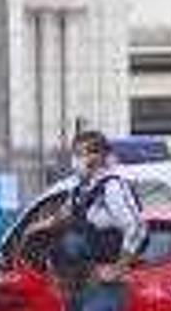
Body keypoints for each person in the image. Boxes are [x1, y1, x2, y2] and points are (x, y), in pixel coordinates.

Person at [29, 130, 146, 311]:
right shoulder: (80, 189)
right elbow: (64, 216)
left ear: (97, 157)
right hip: (77, 286)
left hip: (102, 287)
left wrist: (118, 268)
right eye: (75, 154)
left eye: (79, 154)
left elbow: (137, 227)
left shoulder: (112, 186)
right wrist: (37, 227)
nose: (75, 161)